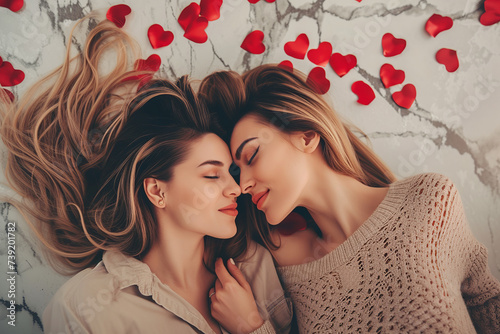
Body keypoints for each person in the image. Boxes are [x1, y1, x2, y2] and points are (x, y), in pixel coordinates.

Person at [0, 19, 292, 334]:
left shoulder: (254, 266)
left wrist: (252, 326)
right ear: (156, 191)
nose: (235, 188)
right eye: (211, 175)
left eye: (232, 174)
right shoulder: (84, 309)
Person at [198, 64, 500, 333]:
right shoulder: (284, 264)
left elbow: (487, 303)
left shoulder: (427, 202)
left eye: (251, 155)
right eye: (238, 173)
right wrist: (250, 328)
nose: (244, 184)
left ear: (306, 136)